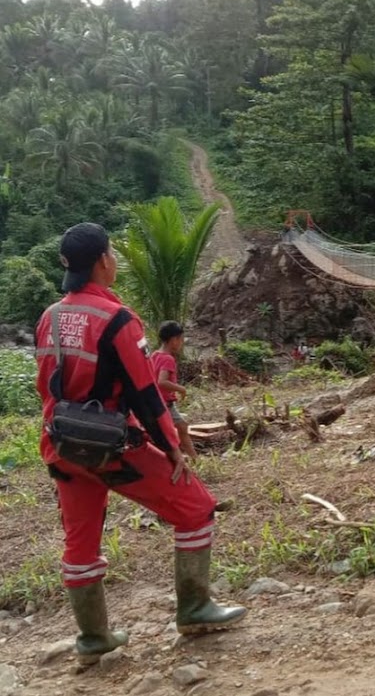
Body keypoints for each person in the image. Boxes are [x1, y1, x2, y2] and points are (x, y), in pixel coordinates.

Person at [35, 223, 246, 664]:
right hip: (113, 447)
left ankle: (93, 638)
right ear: (103, 262)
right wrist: (170, 446)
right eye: (111, 254)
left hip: (63, 446)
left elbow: (46, 388)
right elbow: (145, 392)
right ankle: (193, 608)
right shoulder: (118, 320)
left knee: (80, 541)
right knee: (195, 506)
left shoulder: (49, 318)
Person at [151, 321, 197, 459]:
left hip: (155, 401)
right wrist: (181, 388)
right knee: (181, 428)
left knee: (179, 428)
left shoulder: (154, 355)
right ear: (173, 340)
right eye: (181, 339)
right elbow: (162, 381)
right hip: (165, 403)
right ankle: (193, 458)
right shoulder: (167, 359)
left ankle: (191, 457)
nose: (181, 343)